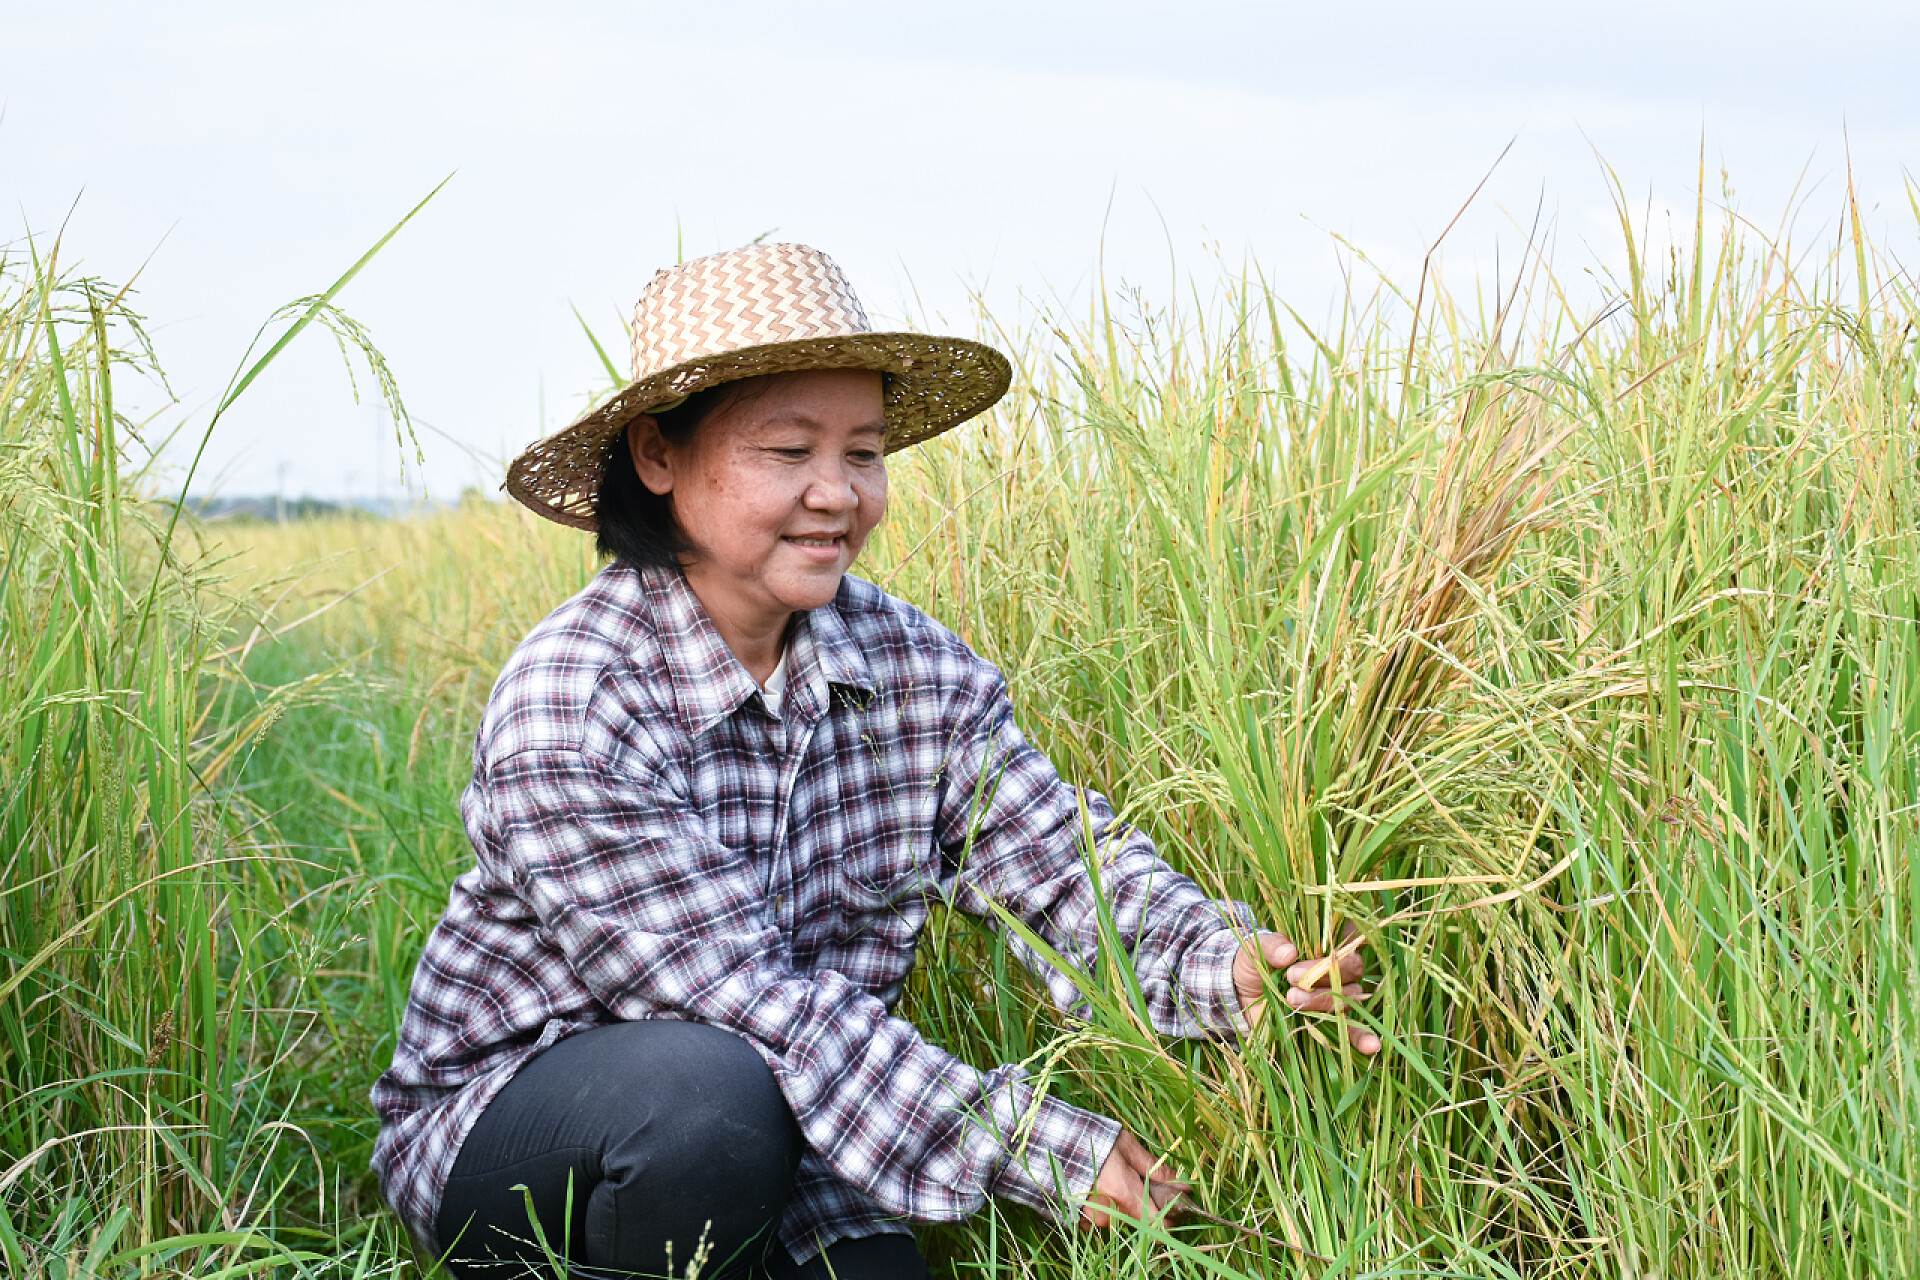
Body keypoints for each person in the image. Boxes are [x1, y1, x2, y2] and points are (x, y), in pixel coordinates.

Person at [371, 243, 1380, 1280]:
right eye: (788, 449)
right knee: (705, 1100)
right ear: (658, 456)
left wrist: (1227, 966)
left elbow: (1057, 861)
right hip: (536, 1128)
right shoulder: (576, 700)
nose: (836, 493)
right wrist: (1031, 1140)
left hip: (805, 1135)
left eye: (862, 452)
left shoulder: (910, 665)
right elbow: (746, 1003)